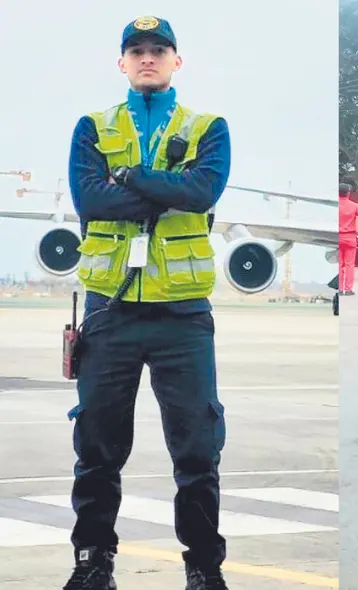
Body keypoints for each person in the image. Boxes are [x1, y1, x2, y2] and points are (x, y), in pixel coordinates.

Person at [64, 16, 232, 590]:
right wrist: (164, 188)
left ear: (177, 61)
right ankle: (93, 563)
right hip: (109, 311)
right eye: (136, 50)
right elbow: (90, 200)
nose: (147, 57)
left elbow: (202, 192)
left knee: (197, 448)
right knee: (97, 445)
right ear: (122, 63)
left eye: (159, 49)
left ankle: (204, 568)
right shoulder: (92, 127)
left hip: (182, 315)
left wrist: (129, 178)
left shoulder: (208, 127)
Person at [338, 183, 358, 295]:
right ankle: (348, 289)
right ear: (348, 193)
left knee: (339, 264)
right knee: (349, 265)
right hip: (350, 238)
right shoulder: (355, 206)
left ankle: (339, 289)